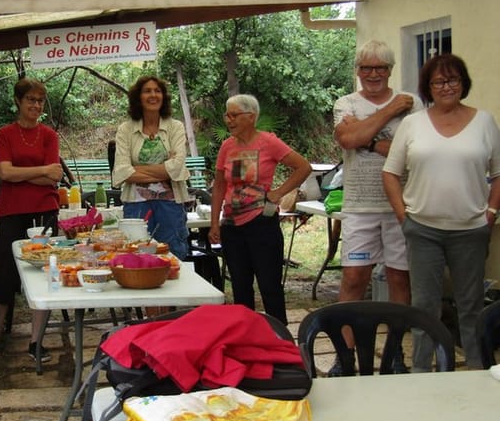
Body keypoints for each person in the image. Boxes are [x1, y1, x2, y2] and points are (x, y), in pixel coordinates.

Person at [383, 53, 500, 371]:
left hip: (471, 230)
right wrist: (402, 216)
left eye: (453, 80)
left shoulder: (485, 122)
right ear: (427, 87)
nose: (446, 86)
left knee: (471, 306)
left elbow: (498, 173)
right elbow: (390, 173)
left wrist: (490, 211)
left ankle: (476, 371)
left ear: (463, 84)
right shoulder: (412, 124)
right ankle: (423, 372)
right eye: (439, 81)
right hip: (422, 230)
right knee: (424, 308)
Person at [329, 40, 423, 376]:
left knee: (400, 280)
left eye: (380, 68)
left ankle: (394, 354)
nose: (373, 74)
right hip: (359, 206)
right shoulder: (347, 102)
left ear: (390, 70)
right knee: (354, 280)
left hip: (401, 204)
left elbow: (410, 151)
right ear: (357, 70)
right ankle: (345, 356)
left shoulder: (414, 105)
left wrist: (365, 134)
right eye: (366, 68)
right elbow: (348, 141)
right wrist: (389, 111)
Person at [0, 78, 61, 362]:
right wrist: (40, 171)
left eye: (39, 100)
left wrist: (19, 172)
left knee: (45, 273)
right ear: (18, 101)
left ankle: (36, 342)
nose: (36, 105)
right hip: (11, 211)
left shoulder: (49, 135)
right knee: (4, 272)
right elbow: (4, 173)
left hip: (44, 210)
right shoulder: (5, 134)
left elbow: (55, 175)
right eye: (30, 100)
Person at [208, 94, 310, 325]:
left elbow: (303, 167)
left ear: (251, 117)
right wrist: (215, 222)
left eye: (234, 115)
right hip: (232, 226)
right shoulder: (227, 146)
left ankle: (281, 342)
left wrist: (278, 193)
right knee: (240, 287)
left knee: (269, 285)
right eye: (227, 115)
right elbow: (220, 186)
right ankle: (247, 339)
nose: (229, 120)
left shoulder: (268, 142)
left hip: (261, 223)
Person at [111, 75, 190, 260]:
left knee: (173, 256)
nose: (153, 95)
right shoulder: (126, 129)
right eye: (147, 91)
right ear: (138, 97)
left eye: (157, 91)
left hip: (172, 205)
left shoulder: (175, 127)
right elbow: (122, 171)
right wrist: (164, 169)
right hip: (136, 206)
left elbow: (177, 167)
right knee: (137, 256)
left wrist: (136, 171)